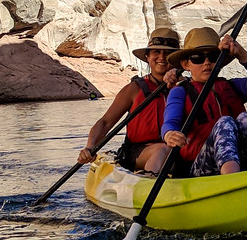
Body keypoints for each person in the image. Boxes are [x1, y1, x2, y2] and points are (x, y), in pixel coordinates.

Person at [161, 27, 247, 177]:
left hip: (240, 158)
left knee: (245, 117)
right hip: (201, 167)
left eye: (213, 57)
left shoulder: (231, 87)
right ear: (186, 65)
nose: (206, 63)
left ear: (219, 61)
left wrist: (242, 54)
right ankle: (231, 178)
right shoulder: (180, 91)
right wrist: (169, 134)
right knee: (225, 121)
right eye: (197, 58)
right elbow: (170, 122)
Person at [77, 27, 180, 173]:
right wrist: (90, 147)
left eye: (168, 53)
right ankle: (150, 182)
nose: (162, 57)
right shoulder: (134, 89)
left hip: (178, 148)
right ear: (147, 57)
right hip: (139, 151)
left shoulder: (186, 87)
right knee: (162, 150)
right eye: (157, 52)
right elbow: (105, 122)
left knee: (171, 149)